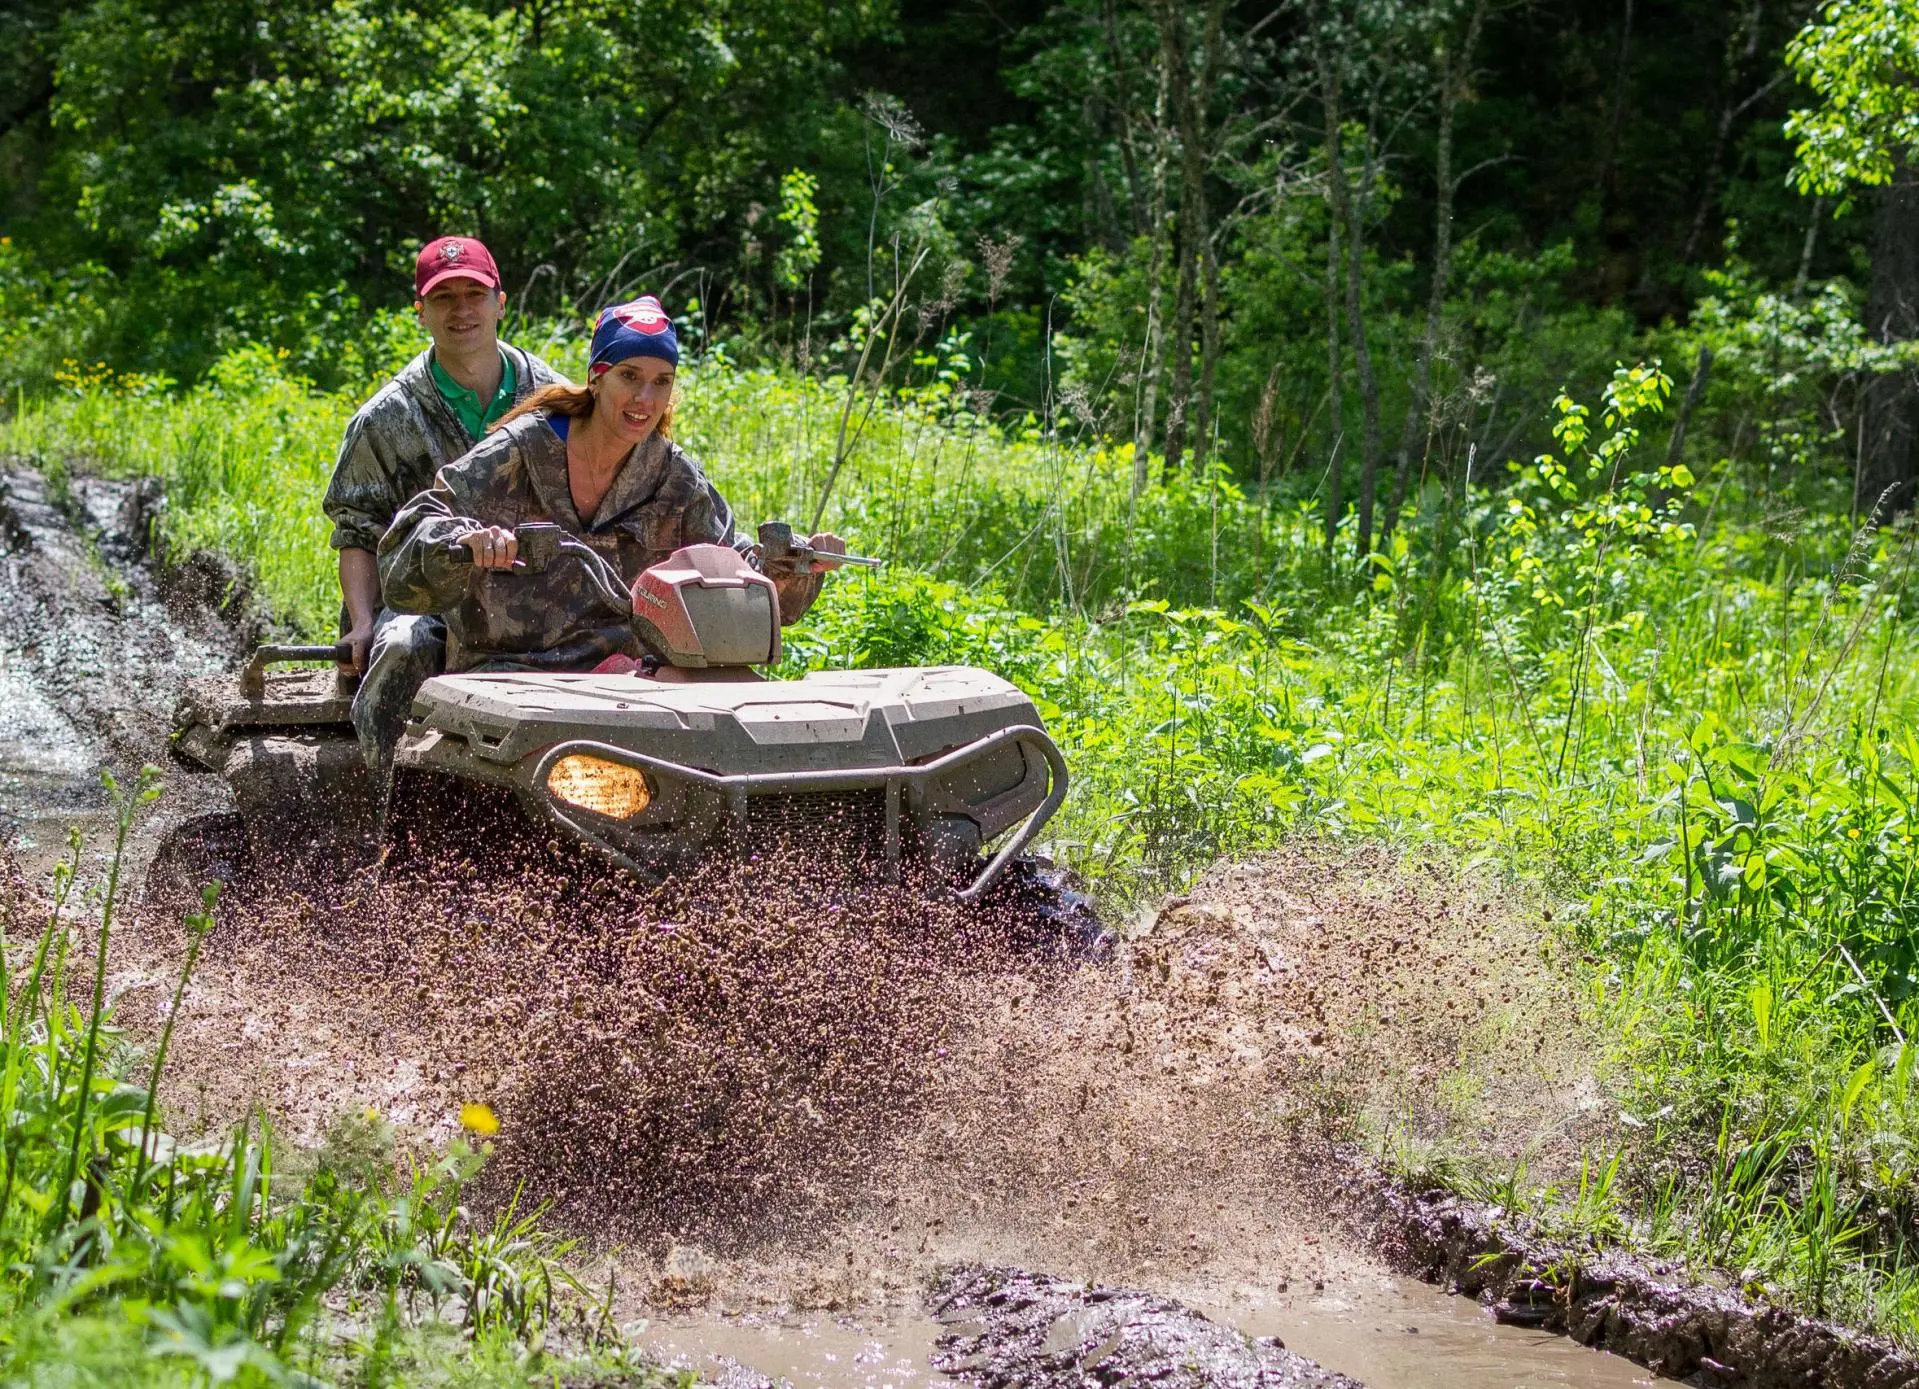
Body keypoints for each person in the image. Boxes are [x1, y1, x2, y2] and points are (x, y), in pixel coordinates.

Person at [360, 295, 842, 758]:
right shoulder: (521, 452)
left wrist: (792, 566)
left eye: (662, 381)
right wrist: (465, 541)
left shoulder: (671, 476)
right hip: (501, 687)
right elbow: (413, 536)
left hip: (624, 688)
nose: (644, 398)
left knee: (742, 728)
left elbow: (736, 567)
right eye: (629, 376)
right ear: (596, 379)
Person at [323, 235, 567, 683]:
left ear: (501, 303)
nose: (462, 310)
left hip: (534, 601)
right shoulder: (385, 418)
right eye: (444, 297)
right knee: (400, 646)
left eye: (475, 294)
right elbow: (357, 530)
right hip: (421, 606)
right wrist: (361, 623)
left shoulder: (555, 403)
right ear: (422, 311)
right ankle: (391, 757)